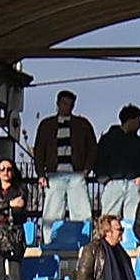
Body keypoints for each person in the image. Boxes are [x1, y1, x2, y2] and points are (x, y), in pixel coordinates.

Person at [33, 92, 96, 226]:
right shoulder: (46, 125)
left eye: (70, 104)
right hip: (54, 174)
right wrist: (41, 174)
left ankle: (83, 240)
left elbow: (92, 148)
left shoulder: (82, 125)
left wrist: (86, 170)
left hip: (76, 174)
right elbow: (39, 151)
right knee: (52, 213)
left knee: (81, 212)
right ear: (58, 103)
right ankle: (50, 240)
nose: (67, 107)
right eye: (64, 103)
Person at [95, 105, 140, 223]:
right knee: (112, 219)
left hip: (129, 183)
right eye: (138, 121)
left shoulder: (108, 139)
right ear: (130, 120)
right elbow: (99, 160)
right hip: (116, 184)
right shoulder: (109, 140)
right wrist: (105, 179)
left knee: (127, 218)